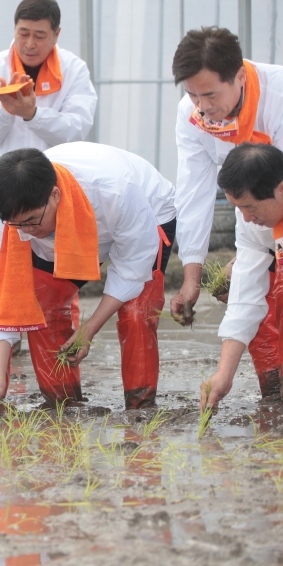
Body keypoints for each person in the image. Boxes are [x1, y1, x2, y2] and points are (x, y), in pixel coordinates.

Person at [0, 142, 176, 412]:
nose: (26, 230)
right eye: (17, 224)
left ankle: (141, 407)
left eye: (32, 220)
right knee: (43, 304)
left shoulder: (116, 190)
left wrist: (88, 330)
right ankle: (62, 404)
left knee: (137, 309)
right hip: (71, 226)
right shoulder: (10, 214)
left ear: (55, 195)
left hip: (146, 214)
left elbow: (132, 271)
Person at [170, 26, 283, 397]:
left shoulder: (279, 98)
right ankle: (274, 389)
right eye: (192, 94)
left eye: (210, 94)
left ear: (239, 77)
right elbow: (194, 191)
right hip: (263, 215)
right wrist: (192, 274)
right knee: (247, 289)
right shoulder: (192, 114)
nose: (201, 106)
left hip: (270, 208)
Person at [200, 143, 283, 410]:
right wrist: (224, 374)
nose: (246, 218)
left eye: (250, 207)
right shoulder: (252, 221)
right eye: (238, 208)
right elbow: (245, 297)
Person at [0, 0, 97, 166]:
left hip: (52, 176)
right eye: (23, 34)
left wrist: (33, 115)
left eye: (39, 36)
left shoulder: (74, 69)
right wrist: (5, 110)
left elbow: (76, 131)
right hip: (2, 176)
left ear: (56, 34)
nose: (29, 44)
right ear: (14, 29)